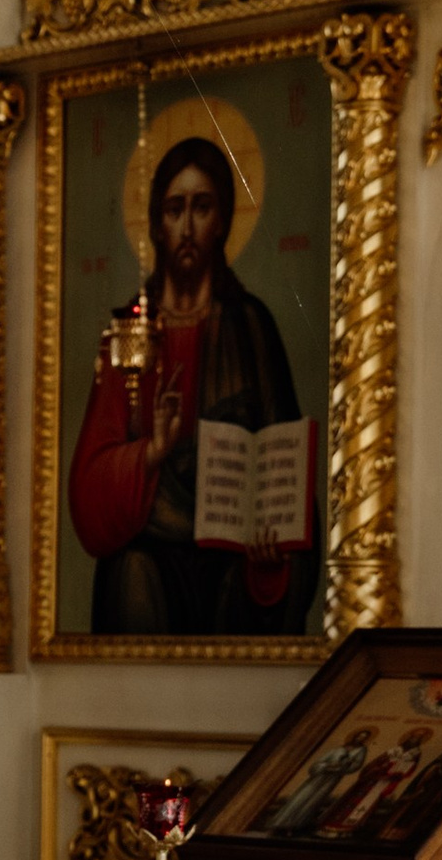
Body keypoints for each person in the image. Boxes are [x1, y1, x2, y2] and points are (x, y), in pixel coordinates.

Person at [67, 133, 313, 634]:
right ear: (156, 224)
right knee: (132, 573)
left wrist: (272, 546)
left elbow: (283, 466)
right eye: (174, 209)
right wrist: (151, 453)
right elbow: (88, 487)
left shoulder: (250, 327)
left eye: (201, 208)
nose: (186, 226)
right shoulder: (129, 333)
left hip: (229, 559)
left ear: (222, 221)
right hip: (149, 555)